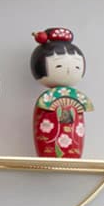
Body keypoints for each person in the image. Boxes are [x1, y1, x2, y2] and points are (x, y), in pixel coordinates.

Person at [29, 27, 92, 159]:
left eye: (76, 67)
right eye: (58, 66)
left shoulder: (75, 98)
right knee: (49, 130)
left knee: (74, 133)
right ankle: (49, 151)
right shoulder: (47, 99)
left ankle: (72, 152)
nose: (69, 70)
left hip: (72, 129)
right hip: (50, 140)